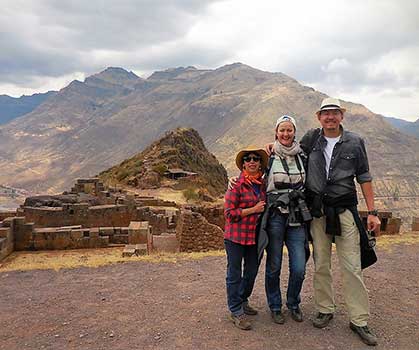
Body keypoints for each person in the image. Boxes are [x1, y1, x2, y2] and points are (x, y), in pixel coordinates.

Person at [299, 97, 380, 346]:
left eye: (334, 113)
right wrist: (271, 146)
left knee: (352, 266)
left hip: (345, 210)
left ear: (341, 116)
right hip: (318, 212)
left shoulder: (355, 142)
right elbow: (290, 150)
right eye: (326, 113)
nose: (330, 117)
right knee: (321, 262)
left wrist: (373, 211)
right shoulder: (310, 139)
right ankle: (325, 308)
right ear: (319, 117)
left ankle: (359, 320)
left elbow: (364, 176)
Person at [257, 115, 310, 325]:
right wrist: (235, 181)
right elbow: (250, 174)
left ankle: (293, 302)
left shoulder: (302, 155)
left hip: (297, 217)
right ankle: (275, 306)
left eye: (289, 130)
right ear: (276, 132)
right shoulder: (267, 157)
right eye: (282, 130)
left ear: (294, 132)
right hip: (276, 217)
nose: (286, 134)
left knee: (299, 266)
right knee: (274, 265)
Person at [224, 146, 268, 330]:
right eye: (248, 159)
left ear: (260, 164)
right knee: (234, 274)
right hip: (235, 236)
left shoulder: (262, 185)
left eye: (255, 158)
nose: (251, 161)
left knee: (251, 272)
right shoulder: (236, 185)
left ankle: (243, 300)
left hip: (254, 236)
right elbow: (229, 213)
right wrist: (253, 210)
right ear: (243, 164)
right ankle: (235, 310)